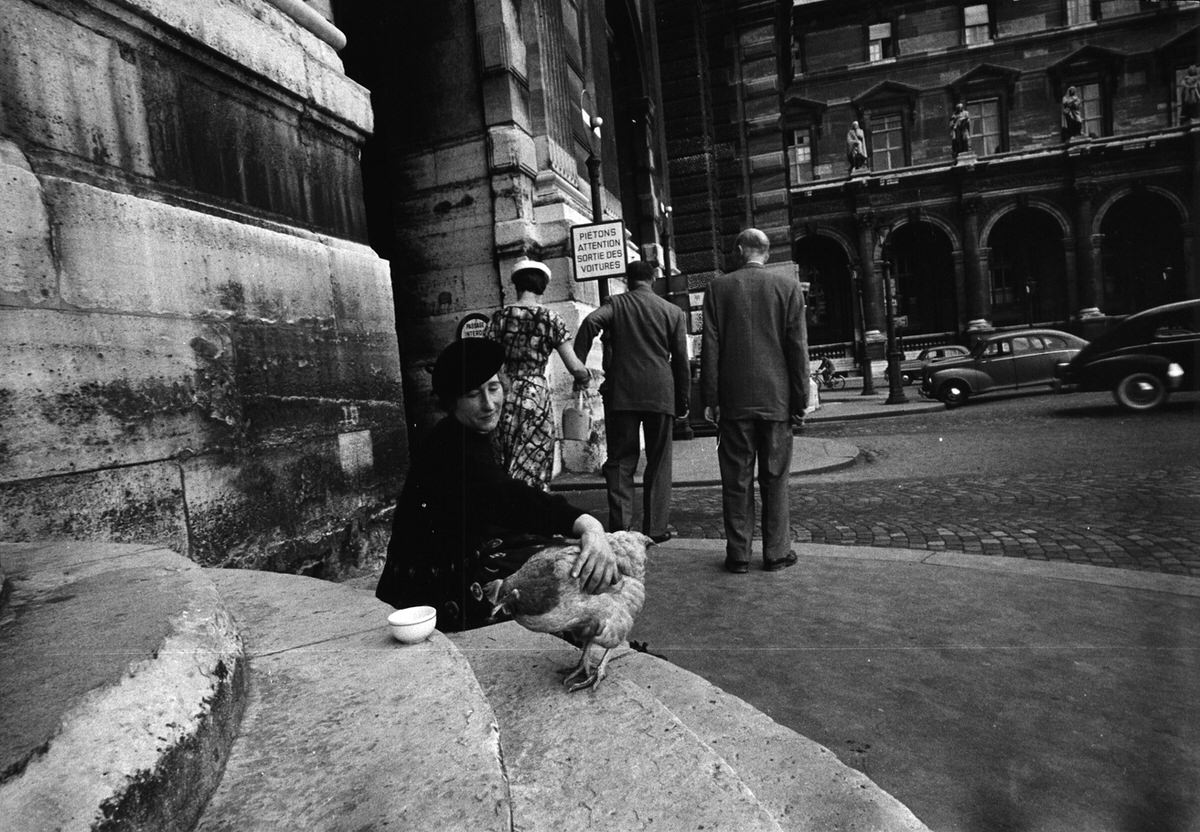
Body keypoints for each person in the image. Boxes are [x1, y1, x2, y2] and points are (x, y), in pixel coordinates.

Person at [375, 338, 617, 631]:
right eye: (473, 395)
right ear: (453, 402)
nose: (489, 404)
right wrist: (587, 523)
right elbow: (509, 498)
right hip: (431, 588)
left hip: (458, 554)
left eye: (493, 388)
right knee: (564, 571)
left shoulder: (462, 432)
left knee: (553, 555)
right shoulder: (453, 446)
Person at [701, 229, 808, 573]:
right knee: (775, 478)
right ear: (767, 253)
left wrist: (710, 398)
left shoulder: (718, 289)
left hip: (734, 401)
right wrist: (800, 398)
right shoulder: (788, 288)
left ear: (739, 249)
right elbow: (797, 349)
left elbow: (711, 348)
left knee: (736, 479)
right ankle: (776, 552)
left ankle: (739, 554)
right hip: (776, 399)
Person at [573, 260, 690, 544]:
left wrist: (577, 365)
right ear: (654, 279)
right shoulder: (673, 312)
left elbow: (590, 322)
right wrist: (683, 397)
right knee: (659, 461)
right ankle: (655, 529)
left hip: (622, 393)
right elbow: (681, 362)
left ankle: (620, 529)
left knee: (621, 462)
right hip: (660, 392)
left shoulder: (616, 304)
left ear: (627, 279)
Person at [486, 257, 591, 490]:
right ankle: (535, 508)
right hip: (536, 395)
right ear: (542, 286)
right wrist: (584, 377)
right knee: (536, 453)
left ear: (517, 285)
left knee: (507, 455)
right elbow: (574, 366)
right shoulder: (550, 319)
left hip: (506, 394)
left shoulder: (499, 318)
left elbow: (486, 360)